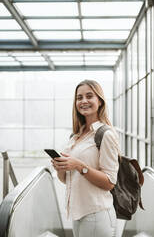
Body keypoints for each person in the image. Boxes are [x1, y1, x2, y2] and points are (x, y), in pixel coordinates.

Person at [52, 79, 120, 237]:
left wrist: (78, 165)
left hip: (96, 215)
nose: (84, 101)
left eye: (89, 96)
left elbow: (110, 182)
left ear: (100, 101)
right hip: (78, 214)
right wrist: (61, 168)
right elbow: (68, 180)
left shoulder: (105, 134)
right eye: (79, 97)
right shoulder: (76, 135)